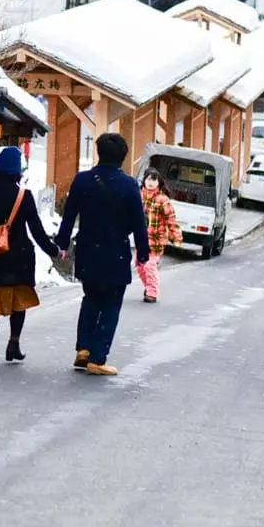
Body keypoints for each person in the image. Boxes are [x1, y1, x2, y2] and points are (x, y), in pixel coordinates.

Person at [54, 133, 150, 376]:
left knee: (91, 297)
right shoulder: (129, 185)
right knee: (111, 303)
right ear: (123, 157)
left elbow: (69, 215)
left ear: (98, 152)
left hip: (88, 250)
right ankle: (98, 358)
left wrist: (62, 243)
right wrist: (143, 252)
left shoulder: (83, 180)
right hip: (115, 252)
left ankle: (83, 349)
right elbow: (139, 223)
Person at [0, 146, 60, 366]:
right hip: (19, 258)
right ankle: (13, 344)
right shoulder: (23, 196)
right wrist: (52, 250)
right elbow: (36, 229)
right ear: (18, 171)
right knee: (19, 302)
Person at [138, 167, 181, 304]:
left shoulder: (162, 200)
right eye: (148, 179)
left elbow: (171, 219)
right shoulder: (138, 196)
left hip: (156, 240)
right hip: (141, 238)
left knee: (149, 266)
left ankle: (152, 292)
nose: (150, 183)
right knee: (140, 266)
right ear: (144, 180)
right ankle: (149, 286)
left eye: (154, 180)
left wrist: (176, 237)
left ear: (159, 183)